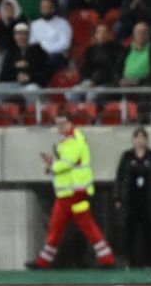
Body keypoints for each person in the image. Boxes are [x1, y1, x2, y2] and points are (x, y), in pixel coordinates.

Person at [27, 112, 118, 269]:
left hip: (74, 193)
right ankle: (106, 258)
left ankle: (107, 259)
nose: (60, 127)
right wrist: (54, 164)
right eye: (58, 124)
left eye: (63, 123)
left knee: (69, 226)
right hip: (69, 193)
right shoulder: (68, 140)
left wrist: (52, 165)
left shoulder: (73, 141)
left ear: (71, 123)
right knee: (66, 226)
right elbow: (67, 163)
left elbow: (66, 163)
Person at [112, 126, 151, 268]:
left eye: (143, 138)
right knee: (130, 233)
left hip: (148, 201)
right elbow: (120, 177)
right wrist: (117, 197)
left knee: (149, 232)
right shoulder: (127, 157)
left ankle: (149, 263)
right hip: (131, 200)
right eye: (137, 137)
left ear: (146, 140)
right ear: (133, 140)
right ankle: (130, 262)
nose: (140, 141)